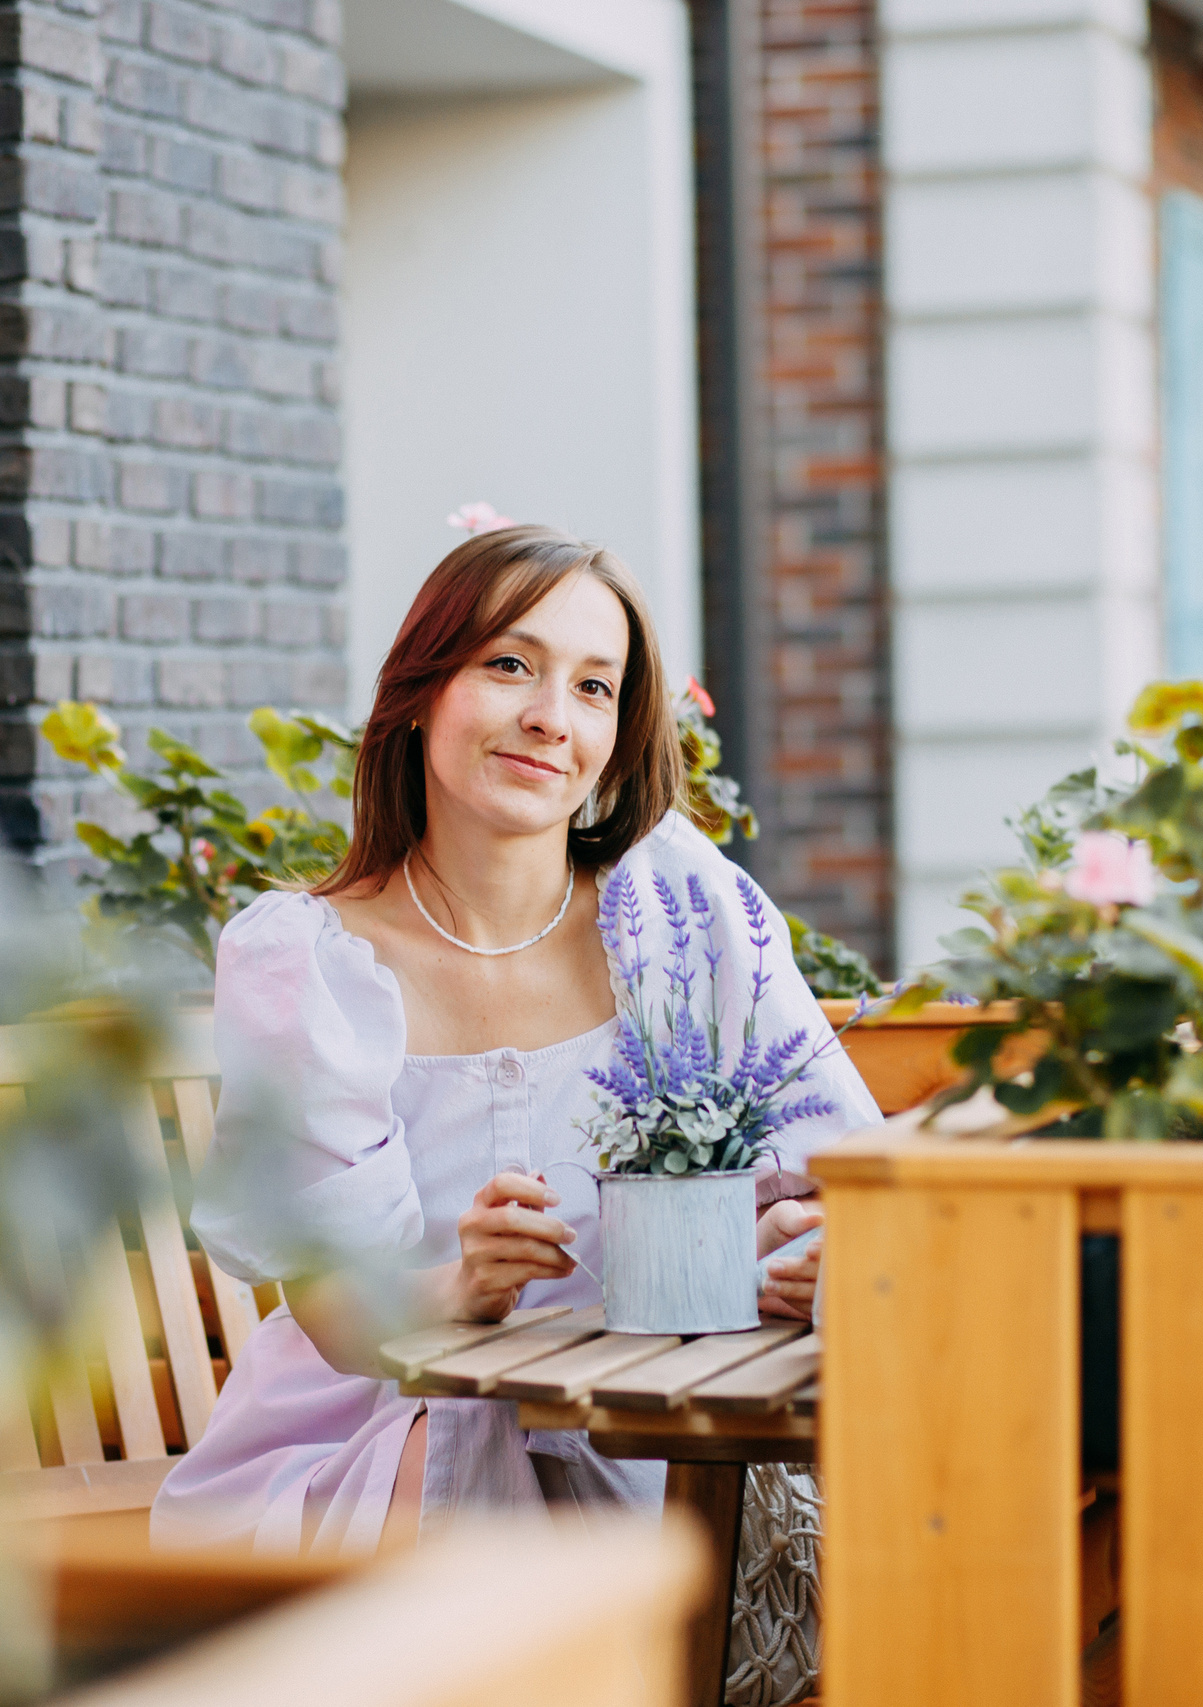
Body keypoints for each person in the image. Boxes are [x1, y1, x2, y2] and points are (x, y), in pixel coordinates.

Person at [149, 524, 879, 1555]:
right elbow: (341, 1319)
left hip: (639, 1438)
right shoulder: (310, 962)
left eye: (593, 687)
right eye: (508, 665)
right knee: (474, 1430)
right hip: (367, 1451)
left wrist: (791, 1253)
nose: (549, 718)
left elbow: (843, 1172)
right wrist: (466, 1284)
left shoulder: (679, 918)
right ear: (420, 691)